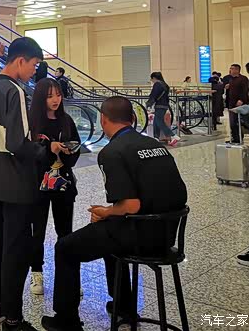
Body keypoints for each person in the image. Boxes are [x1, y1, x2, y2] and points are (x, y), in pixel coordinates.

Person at [41, 96, 188, 331]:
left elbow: (131, 205)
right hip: (167, 234)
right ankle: (124, 306)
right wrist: (111, 214)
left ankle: (66, 320)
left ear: (103, 119)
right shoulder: (155, 145)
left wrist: (106, 211)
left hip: (140, 236)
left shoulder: (112, 152)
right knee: (108, 233)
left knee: (65, 248)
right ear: (133, 118)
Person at [0, 37, 53, 331]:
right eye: (34, 65)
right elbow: (17, 143)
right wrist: (43, 150)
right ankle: (13, 318)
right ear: (21, 60)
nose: (34, 71)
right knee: (15, 249)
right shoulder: (13, 90)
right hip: (15, 183)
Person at [28, 77, 80, 297]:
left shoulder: (66, 120)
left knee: (65, 232)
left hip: (63, 183)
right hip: (37, 185)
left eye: (58, 95)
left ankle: (67, 277)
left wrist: (68, 151)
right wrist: (49, 149)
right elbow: (28, 154)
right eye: (50, 96)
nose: (55, 100)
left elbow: (76, 149)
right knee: (37, 232)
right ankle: (37, 273)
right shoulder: (31, 123)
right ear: (41, 98)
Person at [146, 71, 178, 146]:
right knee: (156, 121)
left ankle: (173, 136)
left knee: (159, 121)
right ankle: (156, 137)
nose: (152, 81)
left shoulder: (157, 84)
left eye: (151, 79)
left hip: (159, 105)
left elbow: (154, 95)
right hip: (164, 105)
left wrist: (148, 104)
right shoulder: (165, 85)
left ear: (154, 78)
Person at [226, 63, 249, 143]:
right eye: (230, 68)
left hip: (242, 104)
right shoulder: (231, 79)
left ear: (237, 70)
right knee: (233, 123)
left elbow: (245, 90)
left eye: (232, 68)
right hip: (232, 104)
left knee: (246, 122)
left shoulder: (243, 78)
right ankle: (236, 138)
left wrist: (241, 100)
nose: (230, 70)